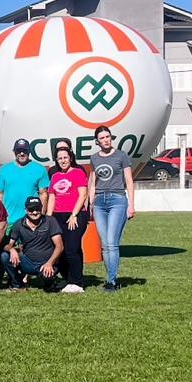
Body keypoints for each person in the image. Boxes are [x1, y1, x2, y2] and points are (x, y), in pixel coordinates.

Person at [87, 125, 136, 293]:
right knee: (105, 244)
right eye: (102, 138)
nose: (105, 140)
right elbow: (92, 182)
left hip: (117, 200)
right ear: (97, 141)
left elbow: (129, 181)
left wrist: (131, 205)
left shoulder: (121, 156)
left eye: (107, 137)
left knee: (112, 243)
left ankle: (112, 281)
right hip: (100, 202)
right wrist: (91, 203)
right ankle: (110, 278)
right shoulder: (94, 158)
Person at [46, 144, 89, 293]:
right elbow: (52, 197)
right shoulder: (55, 176)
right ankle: (68, 279)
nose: (63, 160)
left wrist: (74, 215)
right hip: (58, 215)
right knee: (61, 249)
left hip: (76, 215)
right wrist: (49, 218)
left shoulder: (78, 173)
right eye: (60, 159)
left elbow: (83, 195)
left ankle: (77, 282)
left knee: (72, 248)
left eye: (65, 157)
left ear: (70, 158)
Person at [0, 197, 65, 291]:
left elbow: (59, 246)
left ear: (42, 208)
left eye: (37, 209)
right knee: (5, 256)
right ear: (25, 210)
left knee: (48, 283)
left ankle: (49, 283)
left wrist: (49, 263)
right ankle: (17, 284)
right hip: (28, 262)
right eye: (31, 209)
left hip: (48, 262)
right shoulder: (19, 224)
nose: (35, 212)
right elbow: (7, 244)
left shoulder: (50, 221)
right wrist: (12, 249)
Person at [0, 139, 50, 227]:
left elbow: (43, 194)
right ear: (14, 152)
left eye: (25, 151)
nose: (21, 153)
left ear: (29, 151)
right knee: (7, 241)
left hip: (31, 221)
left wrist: (41, 217)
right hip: (8, 221)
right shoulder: (3, 170)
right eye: (18, 151)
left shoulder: (40, 169)